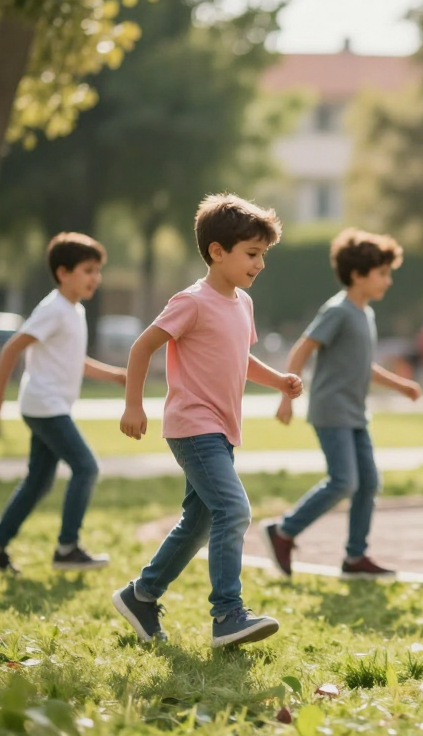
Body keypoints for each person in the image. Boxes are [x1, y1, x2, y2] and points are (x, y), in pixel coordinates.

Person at [112, 194, 299, 648]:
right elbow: (142, 347)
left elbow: (241, 356)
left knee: (196, 525)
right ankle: (228, 615)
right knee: (234, 510)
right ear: (218, 251)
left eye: (263, 255)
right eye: (252, 254)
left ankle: (142, 595)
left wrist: (278, 381)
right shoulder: (191, 301)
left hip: (222, 429)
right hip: (193, 426)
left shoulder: (242, 304)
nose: (260, 264)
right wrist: (133, 405)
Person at [265, 229, 422, 578]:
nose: (389, 281)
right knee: (343, 481)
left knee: (368, 483)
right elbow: (302, 349)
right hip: (331, 410)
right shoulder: (338, 311)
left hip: (355, 413)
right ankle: (283, 530)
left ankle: (355, 557)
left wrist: (401, 386)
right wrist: (286, 395)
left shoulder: (364, 314)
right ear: (357, 275)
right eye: (382, 273)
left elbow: (362, 365)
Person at [0, 233, 127, 575]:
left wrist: (116, 375)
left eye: (98, 271)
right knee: (86, 467)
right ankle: (67, 548)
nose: (95, 278)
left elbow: (76, 360)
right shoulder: (53, 308)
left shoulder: (74, 309)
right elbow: (13, 347)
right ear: (63, 273)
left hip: (47, 405)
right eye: (88, 270)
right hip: (46, 405)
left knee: (39, 481)